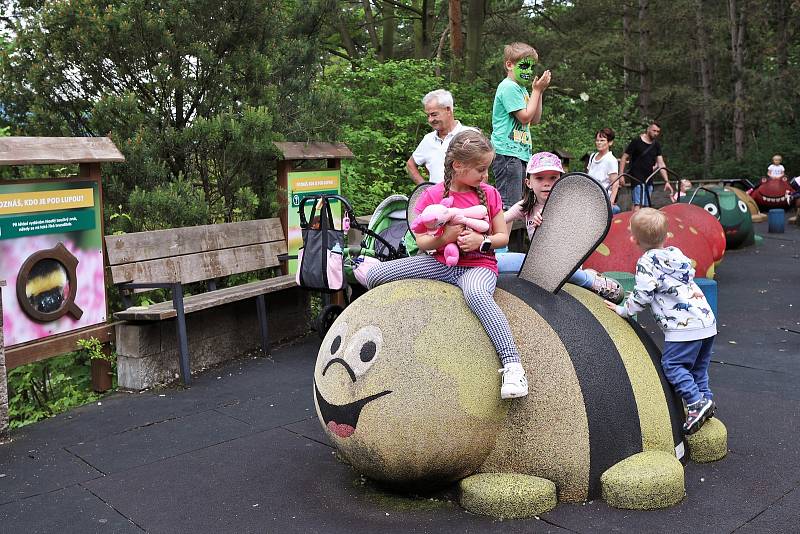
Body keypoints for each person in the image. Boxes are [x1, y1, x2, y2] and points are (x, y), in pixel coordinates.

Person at [367, 130, 528, 400]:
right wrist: (446, 237)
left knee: (476, 294)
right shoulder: (431, 196)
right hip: (441, 264)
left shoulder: (488, 195)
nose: (485, 175)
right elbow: (422, 242)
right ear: (458, 166)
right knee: (376, 274)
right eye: (480, 169)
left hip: (478, 266)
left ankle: (513, 365)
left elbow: (502, 236)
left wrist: (481, 241)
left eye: (487, 169)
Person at [604, 208, 717, 435]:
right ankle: (706, 400)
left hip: (683, 328)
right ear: (666, 236)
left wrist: (624, 309)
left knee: (673, 365)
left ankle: (696, 403)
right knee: (698, 368)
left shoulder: (647, 261)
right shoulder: (676, 255)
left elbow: (644, 293)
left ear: (634, 239)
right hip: (706, 321)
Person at [496, 151, 624, 304]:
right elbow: (499, 221)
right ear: (528, 183)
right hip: (536, 263)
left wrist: (549, 227)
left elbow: (575, 240)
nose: (546, 183)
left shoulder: (568, 206)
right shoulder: (525, 206)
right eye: (539, 178)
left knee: (552, 269)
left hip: (564, 263)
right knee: (498, 261)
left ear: (560, 181)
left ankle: (589, 280)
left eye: (553, 178)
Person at [490, 42, 552, 210]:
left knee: (519, 205)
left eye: (531, 67)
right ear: (509, 64)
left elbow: (535, 118)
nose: (529, 71)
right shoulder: (508, 87)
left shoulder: (522, 90)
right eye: (524, 66)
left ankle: (510, 236)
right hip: (507, 154)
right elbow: (524, 117)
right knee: (509, 206)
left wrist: (538, 92)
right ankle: (502, 237)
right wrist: (537, 92)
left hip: (519, 153)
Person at [407, 89, 475, 185]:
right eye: (428, 115)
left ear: (448, 110)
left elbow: (483, 170)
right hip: (436, 199)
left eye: (434, 114)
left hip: (464, 198)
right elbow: (411, 164)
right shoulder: (428, 139)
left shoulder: (470, 135)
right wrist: (424, 189)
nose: (430, 120)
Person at [618, 122, 674, 211]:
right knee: (637, 204)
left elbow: (661, 163)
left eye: (658, 132)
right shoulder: (637, 141)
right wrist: (621, 175)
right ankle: (634, 223)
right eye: (654, 130)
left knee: (646, 206)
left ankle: (642, 223)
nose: (655, 133)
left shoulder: (656, 145)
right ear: (648, 129)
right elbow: (624, 157)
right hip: (636, 176)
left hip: (649, 177)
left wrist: (666, 181)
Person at [586, 127, 621, 214]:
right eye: (597, 140)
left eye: (602, 140)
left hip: (603, 199)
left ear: (610, 142)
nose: (599, 143)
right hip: (590, 197)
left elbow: (615, 183)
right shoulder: (593, 156)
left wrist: (611, 203)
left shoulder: (611, 160)